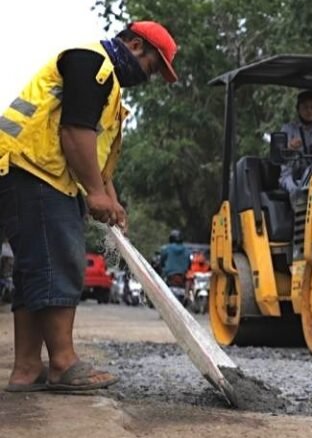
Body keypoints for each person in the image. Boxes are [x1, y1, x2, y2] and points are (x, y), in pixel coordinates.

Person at [0, 20, 178, 392]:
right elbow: (74, 133)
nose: (148, 77)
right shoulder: (91, 63)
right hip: (35, 170)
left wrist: (110, 199)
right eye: (151, 67)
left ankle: (27, 369)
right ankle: (63, 363)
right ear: (134, 45)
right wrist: (95, 195)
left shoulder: (107, 87)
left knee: (35, 268)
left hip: (32, 172)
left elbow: (93, 157)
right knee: (60, 261)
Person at [278, 90, 312, 194]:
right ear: (298, 109)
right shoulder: (288, 129)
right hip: (292, 173)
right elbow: (279, 152)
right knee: (296, 190)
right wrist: (289, 147)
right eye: (305, 107)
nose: (309, 111)